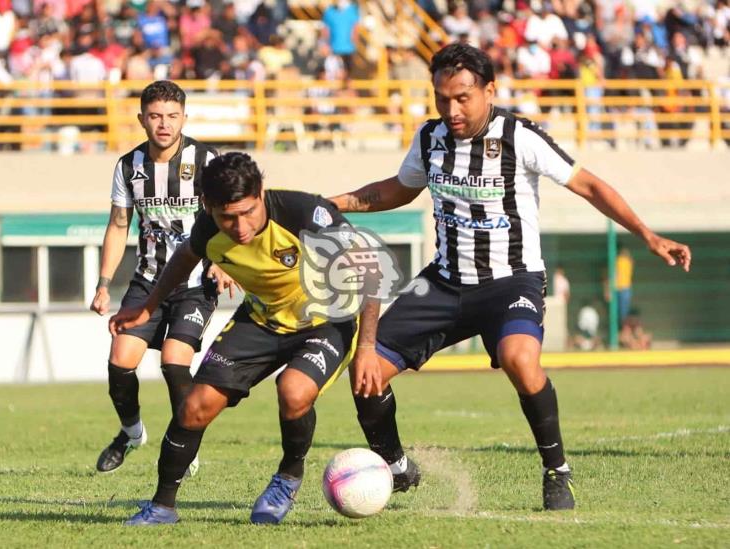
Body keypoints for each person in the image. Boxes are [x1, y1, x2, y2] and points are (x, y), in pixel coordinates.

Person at [328, 43, 692, 511]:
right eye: (442, 98)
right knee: (367, 371)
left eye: (462, 97)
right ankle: (395, 467)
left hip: (511, 282)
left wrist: (647, 234)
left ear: (489, 90)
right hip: (444, 282)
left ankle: (557, 470)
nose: (451, 109)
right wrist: (332, 202)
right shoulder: (429, 139)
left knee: (521, 360)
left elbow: (590, 185)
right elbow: (397, 189)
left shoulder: (521, 137)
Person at [109, 152, 383, 526]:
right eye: (227, 217)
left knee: (293, 390)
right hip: (262, 320)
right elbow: (185, 257)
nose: (239, 226)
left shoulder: (304, 214)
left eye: (248, 212)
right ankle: (162, 506)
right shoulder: (208, 228)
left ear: (261, 194)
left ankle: (288, 476)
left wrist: (366, 347)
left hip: (327, 320)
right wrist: (148, 306)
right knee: (194, 406)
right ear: (207, 206)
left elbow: (369, 270)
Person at [91, 80, 233, 475]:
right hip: (148, 279)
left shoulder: (206, 160)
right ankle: (132, 433)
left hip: (193, 284)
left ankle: (184, 443)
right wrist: (104, 283)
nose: (164, 124)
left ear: (184, 118)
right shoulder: (128, 166)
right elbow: (119, 225)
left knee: (174, 361)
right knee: (120, 361)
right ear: (142, 119)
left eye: (172, 116)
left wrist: (223, 260)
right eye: (155, 116)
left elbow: (227, 217)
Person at [615, 245, 633, 326]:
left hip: (623, 288)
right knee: (622, 312)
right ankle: (623, 329)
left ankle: (624, 329)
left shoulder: (621, 260)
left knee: (622, 312)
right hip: (622, 288)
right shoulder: (625, 260)